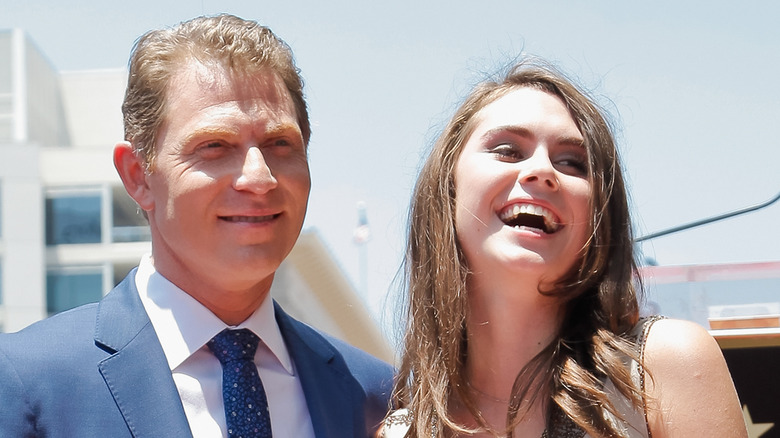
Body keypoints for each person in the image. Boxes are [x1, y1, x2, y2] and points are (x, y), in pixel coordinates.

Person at [0, 14, 392, 437]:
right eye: (215, 146)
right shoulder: (27, 383)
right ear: (137, 176)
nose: (259, 178)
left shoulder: (376, 399)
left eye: (280, 143)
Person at [379, 60, 747, 437]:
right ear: (449, 188)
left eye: (572, 163)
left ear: (600, 214)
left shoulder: (663, 369)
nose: (542, 171)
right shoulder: (400, 430)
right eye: (508, 150)